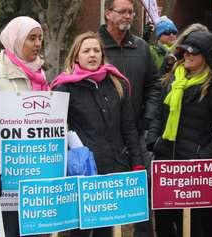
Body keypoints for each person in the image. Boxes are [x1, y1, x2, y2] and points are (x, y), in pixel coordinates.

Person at [52, 30, 143, 237]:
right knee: (80, 228)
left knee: (107, 228)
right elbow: (56, 132)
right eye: (86, 51)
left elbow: (129, 127)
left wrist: (136, 162)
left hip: (114, 165)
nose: (92, 54)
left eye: (96, 50)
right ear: (76, 56)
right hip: (82, 171)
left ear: (102, 55)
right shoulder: (64, 87)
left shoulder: (117, 83)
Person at [146, 31, 212, 237]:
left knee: (194, 227)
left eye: (192, 52)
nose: (186, 55)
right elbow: (159, 117)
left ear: (206, 55)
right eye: (184, 51)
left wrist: (200, 158)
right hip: (166, 167)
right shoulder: (171, 81)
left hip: (195, 174)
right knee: (164, 225)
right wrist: (154, 141)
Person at [0, 16, 49, 237]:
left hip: (36, 167)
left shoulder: (39, 73)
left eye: (40, 38)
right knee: (11, 226)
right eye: (31, 38)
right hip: (7, 171)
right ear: (15, 40)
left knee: (32, 227)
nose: (37, 44)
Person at [98, 0, 160, 236]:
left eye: (131, 12)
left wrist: (148, 115)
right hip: (104, 137)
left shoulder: (142, 47)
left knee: (141, 192)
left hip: (137, 133)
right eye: (122, 11)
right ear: (108, 13)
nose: (128, 16)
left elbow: (155, 85)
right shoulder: (93, 45)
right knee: (103, 199)